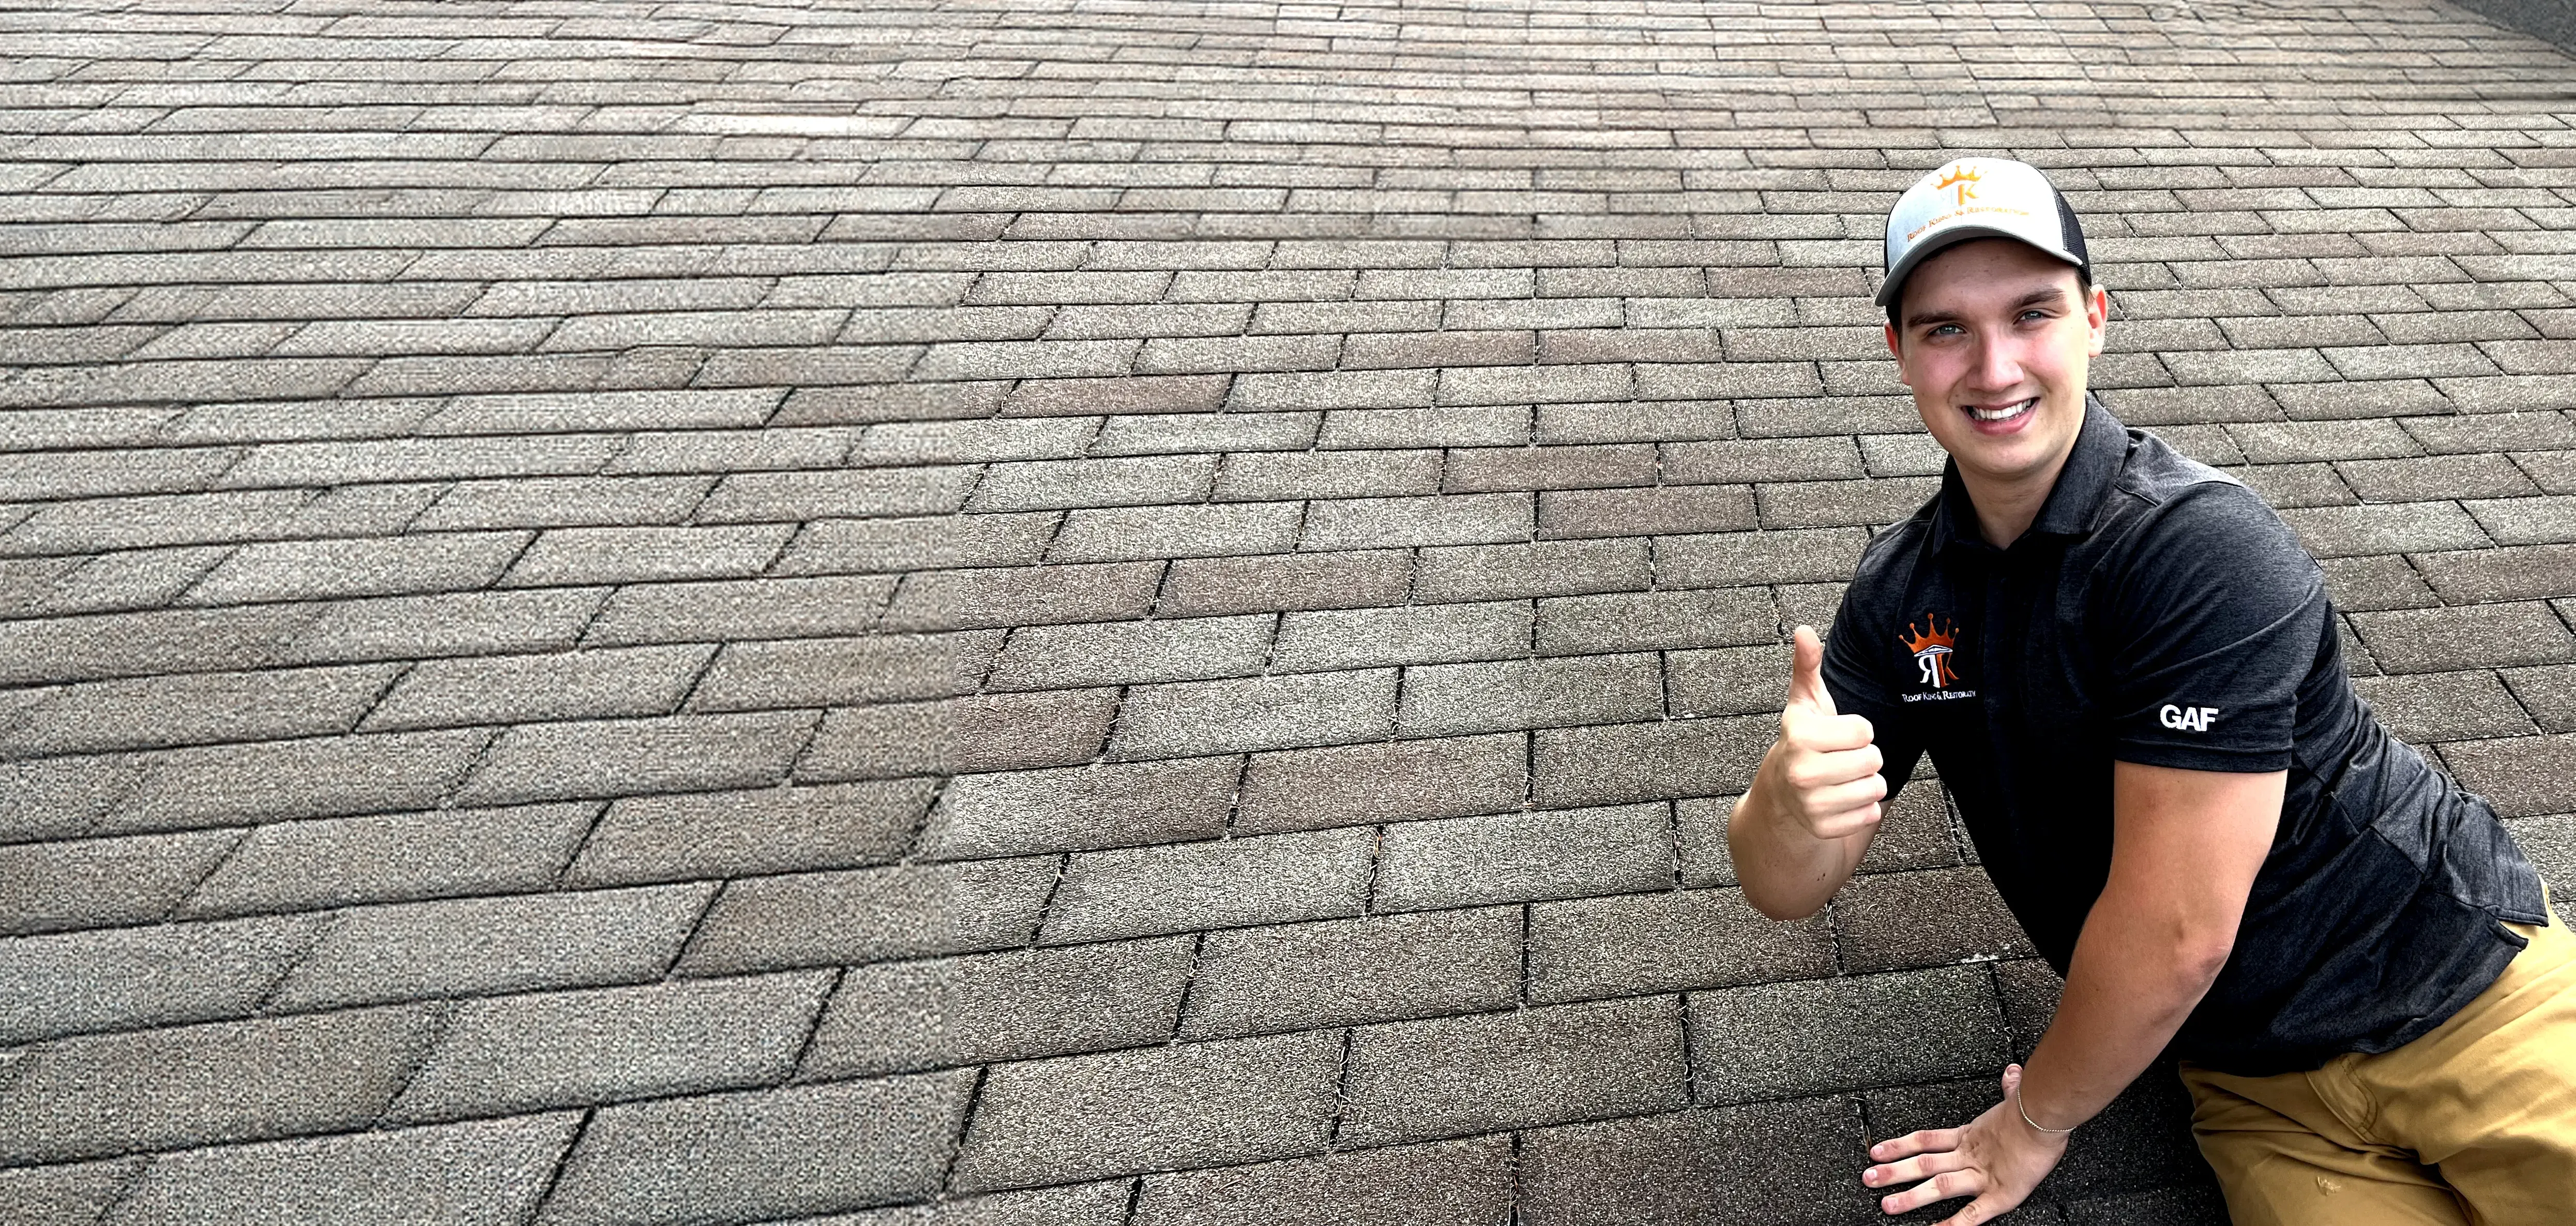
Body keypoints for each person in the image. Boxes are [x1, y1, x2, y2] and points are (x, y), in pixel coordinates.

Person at [1725, 156, 2576, 1225]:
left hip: (2461, 991)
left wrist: (2032, 1121)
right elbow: (1785, 886)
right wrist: (1785, 802)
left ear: (2093, 317)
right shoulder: (1901, 595)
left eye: (2030, 313)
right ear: (1899, 353)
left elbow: (2179, 929)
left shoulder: (2198, 549)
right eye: (1946, 328)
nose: (1993, 368)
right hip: (2253, 1087)